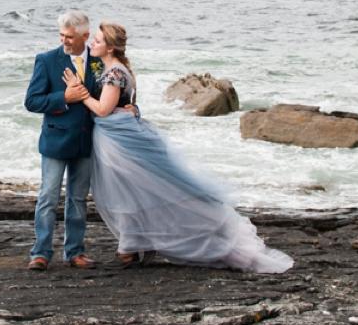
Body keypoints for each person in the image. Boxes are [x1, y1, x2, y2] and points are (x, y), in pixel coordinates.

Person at [65, 22, 292, 273]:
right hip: (120, 135)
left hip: (118, 141)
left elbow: (103, 109)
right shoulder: (117, 69)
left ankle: (132, 245)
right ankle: (133, 243)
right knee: (136, 191)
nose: (92, 44)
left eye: (97, 41)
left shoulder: (114, 73)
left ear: (110, 48)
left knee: (128, 192)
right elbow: (122, 103)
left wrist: (81, 93)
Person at [22, 9, 100, 270]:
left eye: (69, 36)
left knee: (78, 199)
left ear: (85, 36)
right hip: (55, 142)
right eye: (61, 35)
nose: (64, 41)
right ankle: (40, 252)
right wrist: (64, 98)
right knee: (48, 196)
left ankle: (75, 252)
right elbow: (32, 101)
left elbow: (113, 95)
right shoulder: (46, 60)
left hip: (86, 142)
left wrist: (131, 107)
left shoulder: (98, 63)